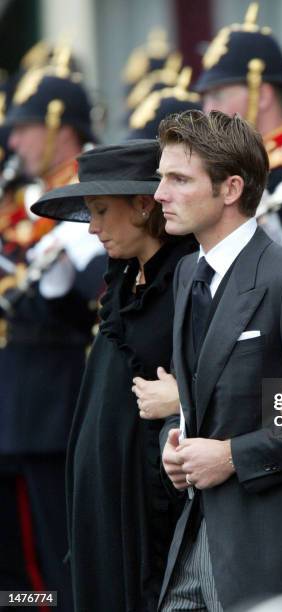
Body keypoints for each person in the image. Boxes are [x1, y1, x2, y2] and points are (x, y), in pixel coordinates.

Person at [154, 109, 282, 611]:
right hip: (191, 539)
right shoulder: (187, 273)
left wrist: (230, 456)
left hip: (271, 553)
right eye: (163, 178)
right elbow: (198, 396)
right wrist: (173, 443)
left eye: (179, 179)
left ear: (229, 189)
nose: (160, 194)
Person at [31, 139, 197, 611]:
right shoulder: (124, 282)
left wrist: (186, 401)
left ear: (145, 206)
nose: (93, 228)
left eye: (102, 211)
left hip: (154, 512)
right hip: (106, 508)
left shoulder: (189, 280)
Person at [0, 52, 105, 607]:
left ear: (59, 126)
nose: (13, 143)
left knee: (57, 554)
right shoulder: (21, 198)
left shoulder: (92, 189)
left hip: (53, 402)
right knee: (19, 565)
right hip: (19, 406)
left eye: (23, 128)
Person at [196, 4, 282, 265]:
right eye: (204, 98)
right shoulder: (254, 163)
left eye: (218, 95)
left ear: (261, 95)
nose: (207, 110)